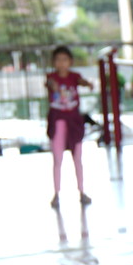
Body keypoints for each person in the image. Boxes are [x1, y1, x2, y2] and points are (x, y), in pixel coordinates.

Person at [46, 44, 92, 208]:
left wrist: (87, 83)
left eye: (65, 59)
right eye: (58, 60)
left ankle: (82, 191)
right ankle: (56, 193)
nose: (61, 63)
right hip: (58, 121)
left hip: (74, 122)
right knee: (57, 158)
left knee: (77, 158)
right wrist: (54, 86)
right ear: (54, 62)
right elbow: (51, 84)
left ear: (70, 61)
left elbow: (81, 81)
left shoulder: (74, 77)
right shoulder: (51, 77)